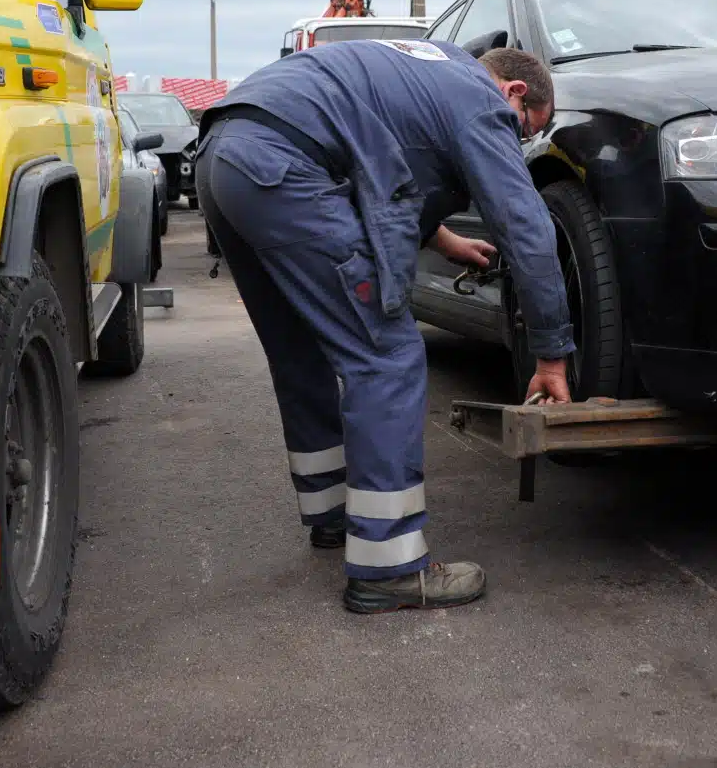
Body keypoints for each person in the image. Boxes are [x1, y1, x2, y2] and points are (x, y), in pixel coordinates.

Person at [195, 39, 574, 614]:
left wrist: (440, 238)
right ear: (514, 91)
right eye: (524, 130)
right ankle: (390, 568)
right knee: (387, 357)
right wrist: (551, 355)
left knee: (303, 349)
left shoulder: (432, 66)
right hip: (282, 170)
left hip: (227, 159)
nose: (514, 139)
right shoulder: (481, 101)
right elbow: (526, 229)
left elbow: (384, 167)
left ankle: (333, 515)